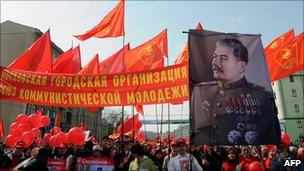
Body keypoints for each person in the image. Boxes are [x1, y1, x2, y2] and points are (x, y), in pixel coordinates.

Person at [191, 38, 281, 145]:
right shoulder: (200, 91)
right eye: (215, 56)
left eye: (223, 58)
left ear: (241, 66)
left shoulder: (262, 96)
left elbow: (270, 133)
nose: (215, 62)